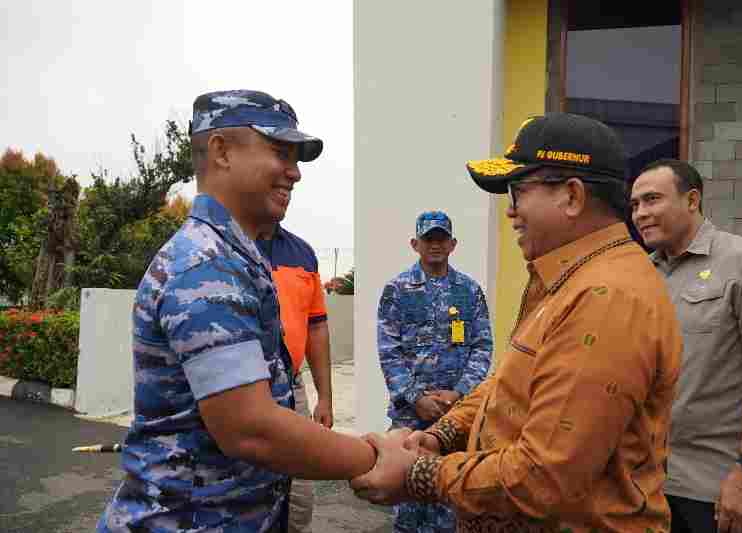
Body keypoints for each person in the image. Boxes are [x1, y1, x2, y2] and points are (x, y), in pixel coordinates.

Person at [352, 113, 684, 533]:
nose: (510, 212)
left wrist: (420, 473)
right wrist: (440, 434)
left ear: (572, 197)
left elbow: (545, 475)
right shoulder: (567, 279)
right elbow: (509, 382)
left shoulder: (606, 297)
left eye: (518, 192)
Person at [97, 90, 377, 533]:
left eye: (296, 158)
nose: (295, 173)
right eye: (280, 152)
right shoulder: (205, 265)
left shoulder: (238, 256)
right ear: (221, 151)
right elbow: (251, 428)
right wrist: (373, 456)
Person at [630, 159, 742, 533]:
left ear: (692, 201)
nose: (641, 213)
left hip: (721, 491)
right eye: (635, 204)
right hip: (649, 488)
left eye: (652, 200)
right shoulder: (642, 275)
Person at [377, 210, 493, 532]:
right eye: (429, 238)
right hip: (410, 417)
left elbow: (482, 347)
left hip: (455, 418)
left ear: (453, 244)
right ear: (415, 243)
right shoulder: (397, 291)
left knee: (450, 500)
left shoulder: (469, 291)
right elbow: (389, 353)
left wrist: (459, 394)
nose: (435, 245)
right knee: (408, 503)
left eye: (442, 238)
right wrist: (416, 398)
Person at [258, 186, 334, 533]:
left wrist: (326, 397)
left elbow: (316, 328)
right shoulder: (224, 248)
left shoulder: (302, 254)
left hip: (292, 386)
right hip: (245, 387)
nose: (285, 191)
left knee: (299, 496)